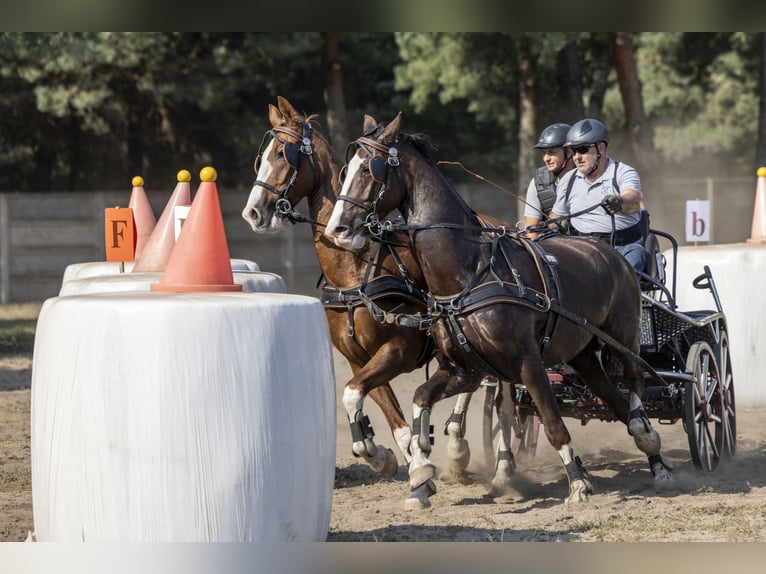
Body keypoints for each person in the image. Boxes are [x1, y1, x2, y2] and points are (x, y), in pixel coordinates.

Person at [550, 118, 648, 273]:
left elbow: (633, 201)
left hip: (621, 250)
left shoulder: (623, 172)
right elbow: (555, 218)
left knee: (636, 255)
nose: (577, 157)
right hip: (581, 252)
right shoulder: (568, 180)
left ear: (601, 148)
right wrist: (552, 225)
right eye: (573, 151)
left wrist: (619, 203)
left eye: (582, 150)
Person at [523, 123, 574, 230]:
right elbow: (532, 233)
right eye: (544, 153)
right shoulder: (537, 183)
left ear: (569, 152)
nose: (546, 158)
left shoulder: (587, 178)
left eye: (552, 152)